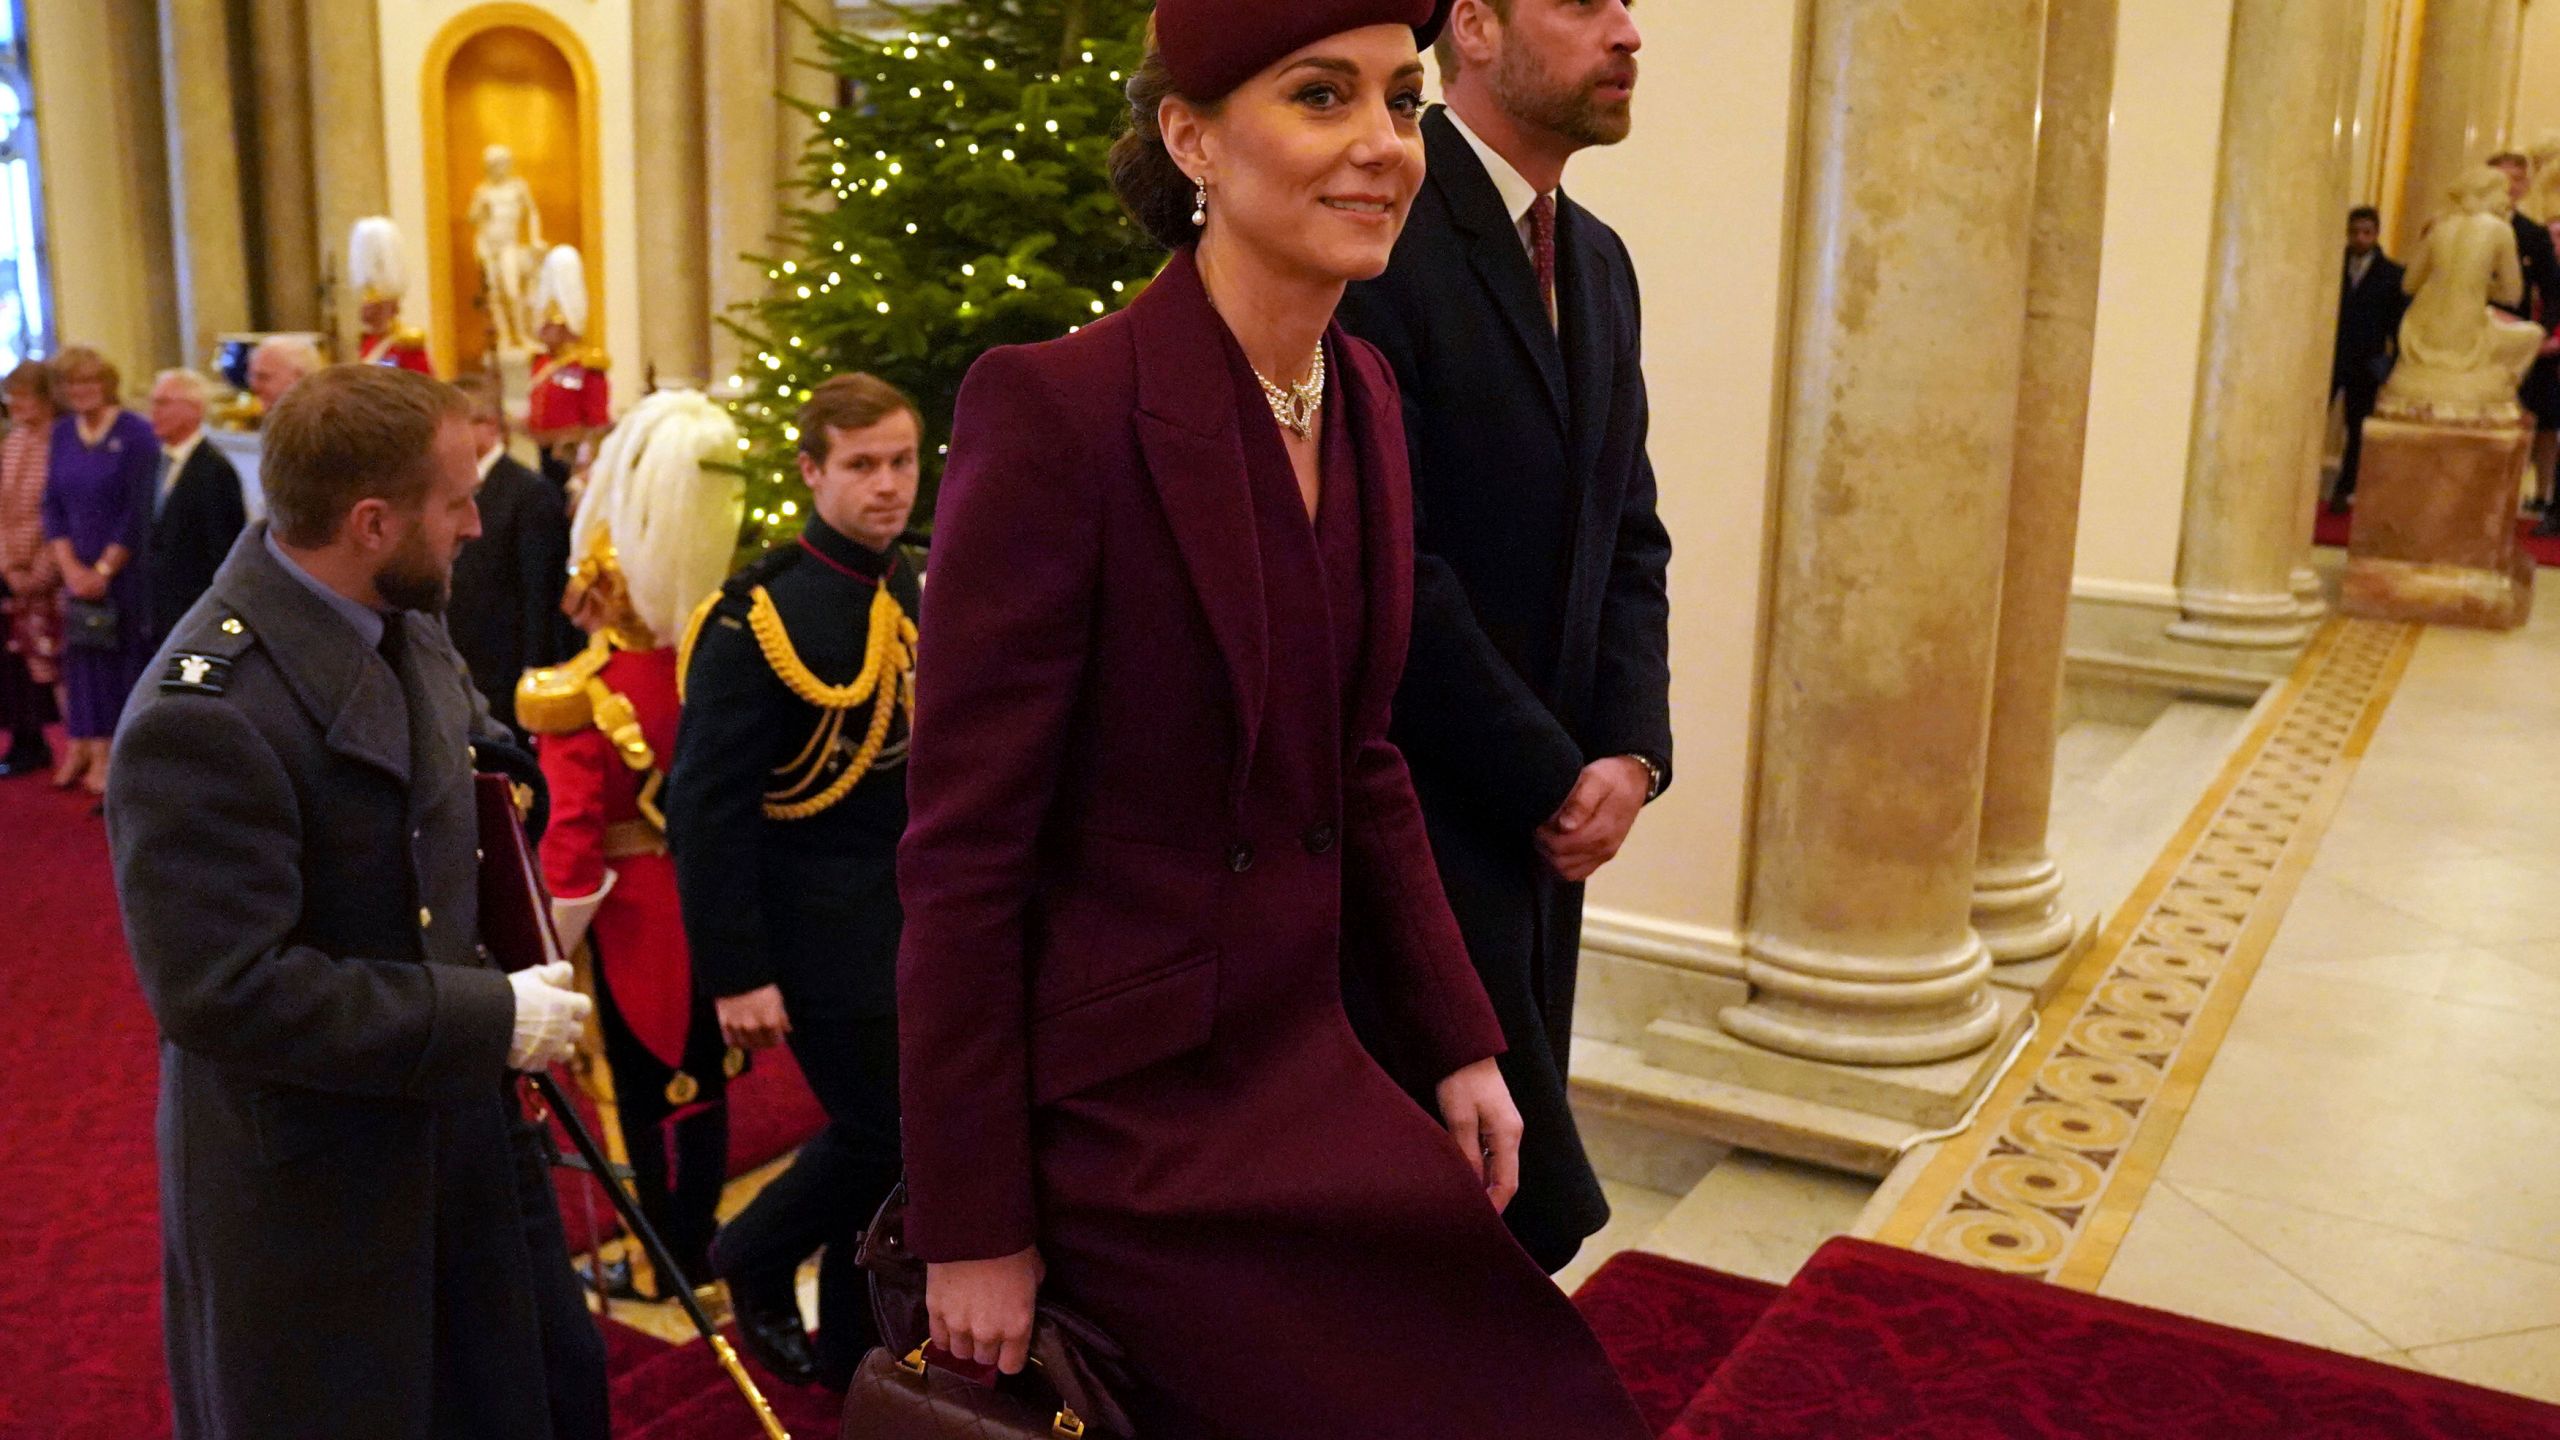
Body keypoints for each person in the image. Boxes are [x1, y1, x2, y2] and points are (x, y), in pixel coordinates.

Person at [895, 6, 1650, 1437]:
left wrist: (1460, 1040)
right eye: (1320, 97)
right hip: (1122, 1120)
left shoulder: (1357, 391)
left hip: (1306, 1054)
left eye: (1401, 101)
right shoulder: (1056, 409)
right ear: (1192, 138)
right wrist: (973, 1223)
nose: (1381, 146)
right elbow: (963, 860)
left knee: (1543, 1389)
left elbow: (1361, 763)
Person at [104, 363, 599, 1439]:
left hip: (454, 1132)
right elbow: (223, 990)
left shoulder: (396, 609)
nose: (477, 525)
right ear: (372, 523)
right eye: (456, 501)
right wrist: (489, 1017)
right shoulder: (205, 714)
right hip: (316, 1183)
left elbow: (474, 762)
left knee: (535, 1399)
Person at [1336, 0, 1668, 1275]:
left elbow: (1629, 530)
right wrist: (1548, 775)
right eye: (1581, 1)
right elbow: (1388, 558)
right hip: (1417, 816)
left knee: (1501, 1214)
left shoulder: (1597, 259)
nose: (1626, 32)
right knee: (1457, 1223)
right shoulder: (1381, 233)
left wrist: (1628, 754)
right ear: (1470, 26)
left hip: (1550, 828)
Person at [665, 373, 923, 1390]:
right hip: (812, 931)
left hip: (906, 918)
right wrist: (736, 973)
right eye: (862, 465)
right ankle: (753, 1251)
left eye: (902, 461)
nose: (887, 485)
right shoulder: (757, 617)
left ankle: (852, 1347)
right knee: (884, 1133)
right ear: (812, 471)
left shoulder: (909, 584)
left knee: (903, 1144)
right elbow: (706, 811)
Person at [518, 389, 745, 1301]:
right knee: (707, 1082)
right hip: (708, 903)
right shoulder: (709, 664)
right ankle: (701, 1241)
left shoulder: (579, 694)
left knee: (636, 1098)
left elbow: (572, 851)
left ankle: (659, 1261)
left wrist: (546, 951)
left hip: (628, 922)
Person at [42, 347, 157, 798]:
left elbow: (137, 509)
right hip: (75, 569)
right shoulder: (61, 432)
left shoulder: (136, 433)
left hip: (124, 572)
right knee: (82, 661)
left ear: (107, 383)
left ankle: (120, 759)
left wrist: (104, 569)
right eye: (72, 383)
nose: (81, 390)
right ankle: (89, 750)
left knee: (121, 660)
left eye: (90, 381)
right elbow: (52, 504)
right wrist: (70, 567)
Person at [447, 377, 574, 734]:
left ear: (489, 426)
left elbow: (540, 588)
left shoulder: (528, 492)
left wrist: (534, 666)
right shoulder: (449, 486)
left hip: (506, 664)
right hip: (464, 657)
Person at [146, 369, 248, 639]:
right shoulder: (152, 463)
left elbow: (222, 550)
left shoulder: (215, 470)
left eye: (163, 403)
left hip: (194, 612)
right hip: (156, 612)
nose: (153, 411)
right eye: (153, 402)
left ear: (194, 409)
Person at [0, 359, 58, 776]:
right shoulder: (13, 441)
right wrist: (8, 565)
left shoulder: (61, 440)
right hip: (10, 566)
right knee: (12, 659)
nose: (15, 404)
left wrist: (38, 571)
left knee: (53, 661)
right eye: (11, 396)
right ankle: (25, 738)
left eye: (23, 396)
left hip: (47, 568)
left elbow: (54, 512)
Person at [2331, 207, 2407, 510]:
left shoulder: (2392, 274)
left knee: (2357, 427)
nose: (2360, 238)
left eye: (2366, 232)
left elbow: (2398, 325)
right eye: (2354, 232)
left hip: (2367, 361)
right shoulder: (2332, 267)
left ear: (2376, 234)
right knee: (2313, 418)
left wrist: (2392, 363)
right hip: (2331, 358)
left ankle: (2345, 487)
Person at [527, 247, 611, 495]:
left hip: (572, 458)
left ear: (564, 328)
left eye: (549, 326)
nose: (542, 331)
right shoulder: (540, 362)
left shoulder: (586, 365)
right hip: (544, 454)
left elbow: (597, 423)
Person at [351, 217, 436, 376]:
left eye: (373, 305)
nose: (365, 309)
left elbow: (422, 384)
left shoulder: (407, 344)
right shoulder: (367, 341)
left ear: (391, 307)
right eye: (366, 304)